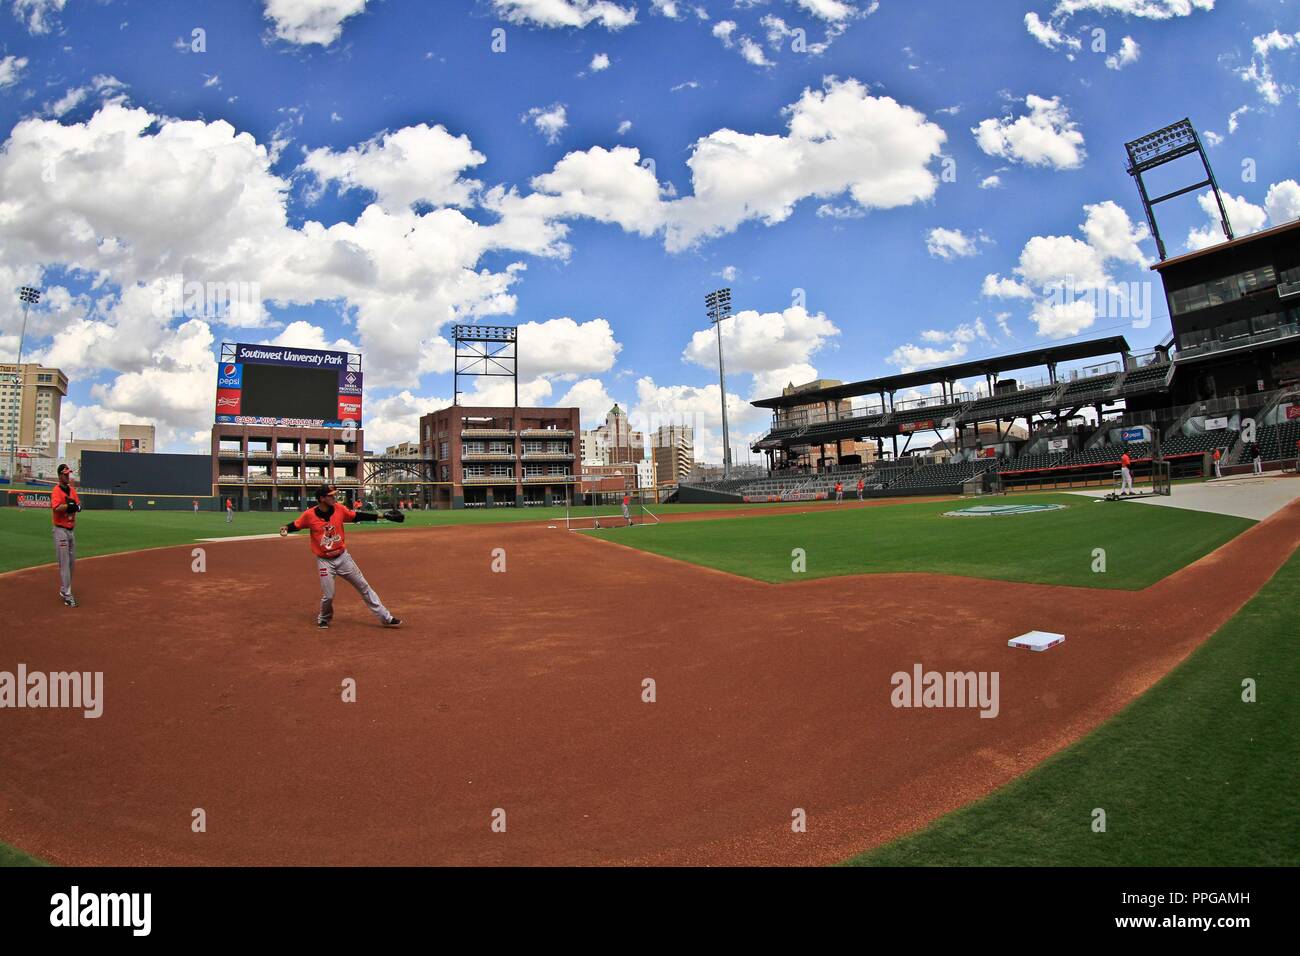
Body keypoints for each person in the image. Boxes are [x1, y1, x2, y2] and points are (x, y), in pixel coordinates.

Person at [280, 484, 403, 630]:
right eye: (331, 496)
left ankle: (386, 618)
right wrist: (286, 528)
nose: (335, 497)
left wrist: (384, 515)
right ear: (322, 498)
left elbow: (357, 515)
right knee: (329, 595)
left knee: (364, 587)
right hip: (325, 561)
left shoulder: (339, 509)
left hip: (343, 558)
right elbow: (297, 524)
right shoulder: (310, 515)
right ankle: (324, 618)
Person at [51, 464, 80, 608]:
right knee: (64, 563)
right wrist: (69, 506)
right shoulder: (56, 491)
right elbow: (56, 508)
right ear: (60, 476)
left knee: (71, 563)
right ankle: (68, 595)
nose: (68, 476)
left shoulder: (72, 490)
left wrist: (75, 506)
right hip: (60, 530)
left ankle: (64, 589)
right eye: (65, 474)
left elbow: (78, 505)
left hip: (70, 530)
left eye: (69, 474)